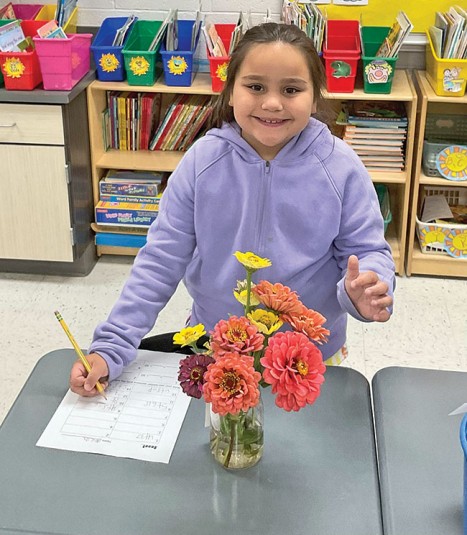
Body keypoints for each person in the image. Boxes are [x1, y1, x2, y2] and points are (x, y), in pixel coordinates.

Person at [70, 22, 395, 397]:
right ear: (230, 91)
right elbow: (160, 261)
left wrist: (365, 288)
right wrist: (111, 347)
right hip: (217, 348)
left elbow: (367, 251)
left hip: (308, 359)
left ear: (315, 98)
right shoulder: (202, 161)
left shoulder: (341, 166)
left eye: (291, 90)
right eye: (255, 87)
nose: (272, 103)